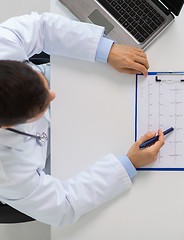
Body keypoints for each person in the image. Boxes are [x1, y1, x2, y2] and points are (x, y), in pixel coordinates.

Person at [0, 12, 164, 226]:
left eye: (40, 81)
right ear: (9, 125)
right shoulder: (8, 171)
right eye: (43, 105)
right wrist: (127, 164)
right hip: (58, 155)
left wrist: (105, 50)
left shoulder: (4, 46)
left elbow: (41, 27)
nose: (53, 95)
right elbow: (63, 206)